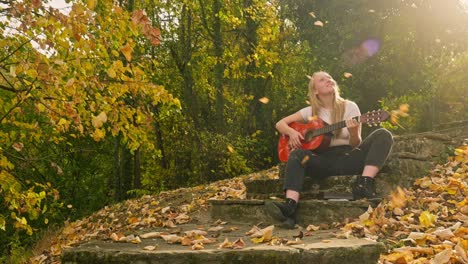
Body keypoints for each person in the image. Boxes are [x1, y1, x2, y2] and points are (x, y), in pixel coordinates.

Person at [266, 71, 394, 229]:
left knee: (383, 134)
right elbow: (280, 124)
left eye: (330, 78)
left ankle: (364, 184)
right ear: (315, 90)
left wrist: (353, 132)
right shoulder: (310, 112)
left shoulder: (350, 106)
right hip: (323, 162)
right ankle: (290, 207)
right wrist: (292, 133)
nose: (328, 80)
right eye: (322, 80)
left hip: (348, 158)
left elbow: (356, 143)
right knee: (297, 154)